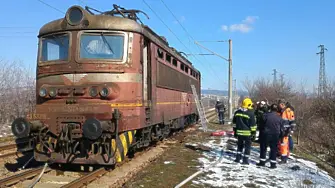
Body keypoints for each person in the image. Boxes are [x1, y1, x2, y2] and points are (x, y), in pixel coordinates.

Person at [256, 104, 284, 169]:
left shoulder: (265, 116)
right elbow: (282, 129)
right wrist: (281, 137)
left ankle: (262, 162)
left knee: (263, 148)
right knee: (273, 149)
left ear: (270, 109)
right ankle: (273, 164)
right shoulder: (279, 118)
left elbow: (260, 126)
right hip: (275, 135)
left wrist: (260, 134)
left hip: (265, 134)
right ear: (277, 110)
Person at [233, 97, 256, 165]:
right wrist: (253, 134)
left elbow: (234, 123)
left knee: (239, 146)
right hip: (247, 134)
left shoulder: (237, 112)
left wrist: (235, 131)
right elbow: (253, 126)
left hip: (239, 133)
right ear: (249, 105)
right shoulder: (251, 114)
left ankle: (238, 158)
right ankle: (245, 160)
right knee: (247, 147)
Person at [277, 99, 296, 163]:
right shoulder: (281, 111)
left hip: (285, 131)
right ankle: (281, 154)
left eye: (279, 104)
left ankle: (284, 158)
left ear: (282, 104)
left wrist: (290, 130)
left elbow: (292, 121)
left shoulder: (288, 111)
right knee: (280, 144)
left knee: (284, 144)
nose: (278, 106)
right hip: (280, 130)